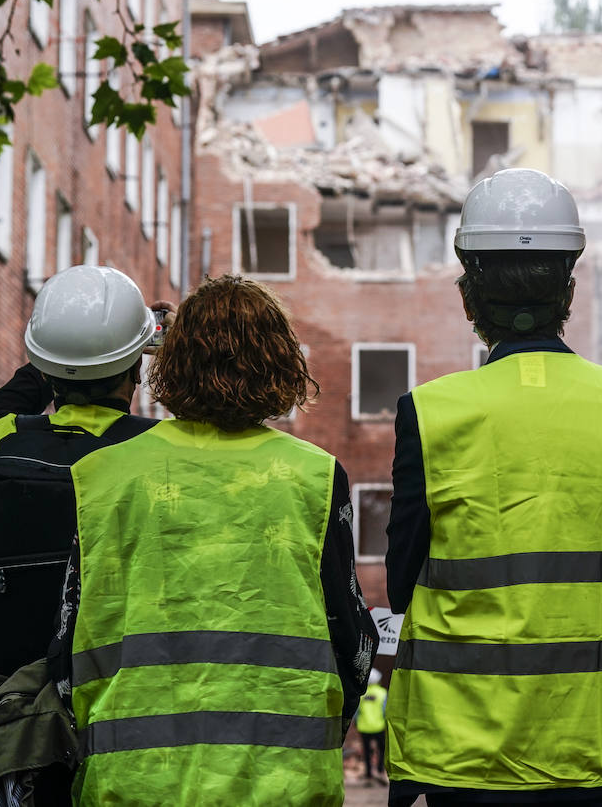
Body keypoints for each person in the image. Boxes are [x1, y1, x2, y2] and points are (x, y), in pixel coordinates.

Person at [384, 168, 602, 806]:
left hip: (469, 753)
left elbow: (400, 581)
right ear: (567, 291)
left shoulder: (433, 412)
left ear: (469, 299)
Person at [60, 274, 377, 805]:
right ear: (279, 362)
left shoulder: (102, 475)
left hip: (132, 780)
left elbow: (66, 643)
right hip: (281, 781)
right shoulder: (315, 477)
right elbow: (354, 642)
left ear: (170, 362)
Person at [0, 265, 165, 740]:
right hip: (117, 719)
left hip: (0, 732)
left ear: (42, 364)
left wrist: (50, 368)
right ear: (137, 368)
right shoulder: (162, 453)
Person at [357, 668, 389, 784]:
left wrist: (357, 723)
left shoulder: (361, 693)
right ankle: (380, 770)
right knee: (382, 749)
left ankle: (369, 774)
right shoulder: (382, 693)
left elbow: (357, 712)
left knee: (366, 751)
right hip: (379, 726)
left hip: (364, 727)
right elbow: (386, 710)